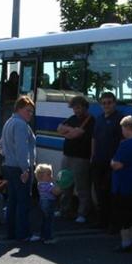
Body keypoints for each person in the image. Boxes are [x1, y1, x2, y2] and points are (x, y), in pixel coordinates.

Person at [0, 95, 36, 241]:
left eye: (31, 111)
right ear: (19, 109)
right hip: (19, 168)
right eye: (28, 110)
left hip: (9, 166)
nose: (30, 114)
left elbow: (1, 145)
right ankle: (24, 234)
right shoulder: (21, 125)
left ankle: (11, 232)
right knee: (23, 202)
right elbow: (22, 149)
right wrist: (25, 169)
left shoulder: (9, 122)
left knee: (12, 201)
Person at [57, 95, 94, 223]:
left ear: (85, 107)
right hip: (67, 156)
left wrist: (69, 131)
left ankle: (82, 213)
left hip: (81, 158)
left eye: (78, 108)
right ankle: (64, 209)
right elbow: (59, 129)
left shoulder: (90, 120)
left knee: (82, 187)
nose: (76, 110)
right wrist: (73, 130)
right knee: (65, 184)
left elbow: (74, 135)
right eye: (74, 108)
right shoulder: (72, 118)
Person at [110, 116, 132, 252]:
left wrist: (112, 162)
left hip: (123, 184)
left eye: (123, 128)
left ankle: (125, 242)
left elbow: (117, 165)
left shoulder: (125, 145)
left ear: (127, 128)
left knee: (123, 214)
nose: (122, 131)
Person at [91, 92, 123, 229]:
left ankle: (113, 224)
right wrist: (92, 156)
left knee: (112, 194)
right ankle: (101, 221)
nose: (106, 105)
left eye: (109, 102)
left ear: (114, 103)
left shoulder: (120, 119)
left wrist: (119, 159)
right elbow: (94, 138)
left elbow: (123, 141)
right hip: (98, 161)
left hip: (112, 163)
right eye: (104, 103)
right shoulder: (99, 119)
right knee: (100, 193)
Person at [30, 164, 62, 244]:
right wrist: (61, 186)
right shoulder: (47, 185)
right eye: (48, 175)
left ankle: (42, 235)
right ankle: (48, 238)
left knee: (44, 220)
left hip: (42, 203)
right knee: (49, 221)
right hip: (48, 203)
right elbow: (56, 192)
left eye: (51, 174)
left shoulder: (40, 184)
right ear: (41, 177)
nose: (51, 176)